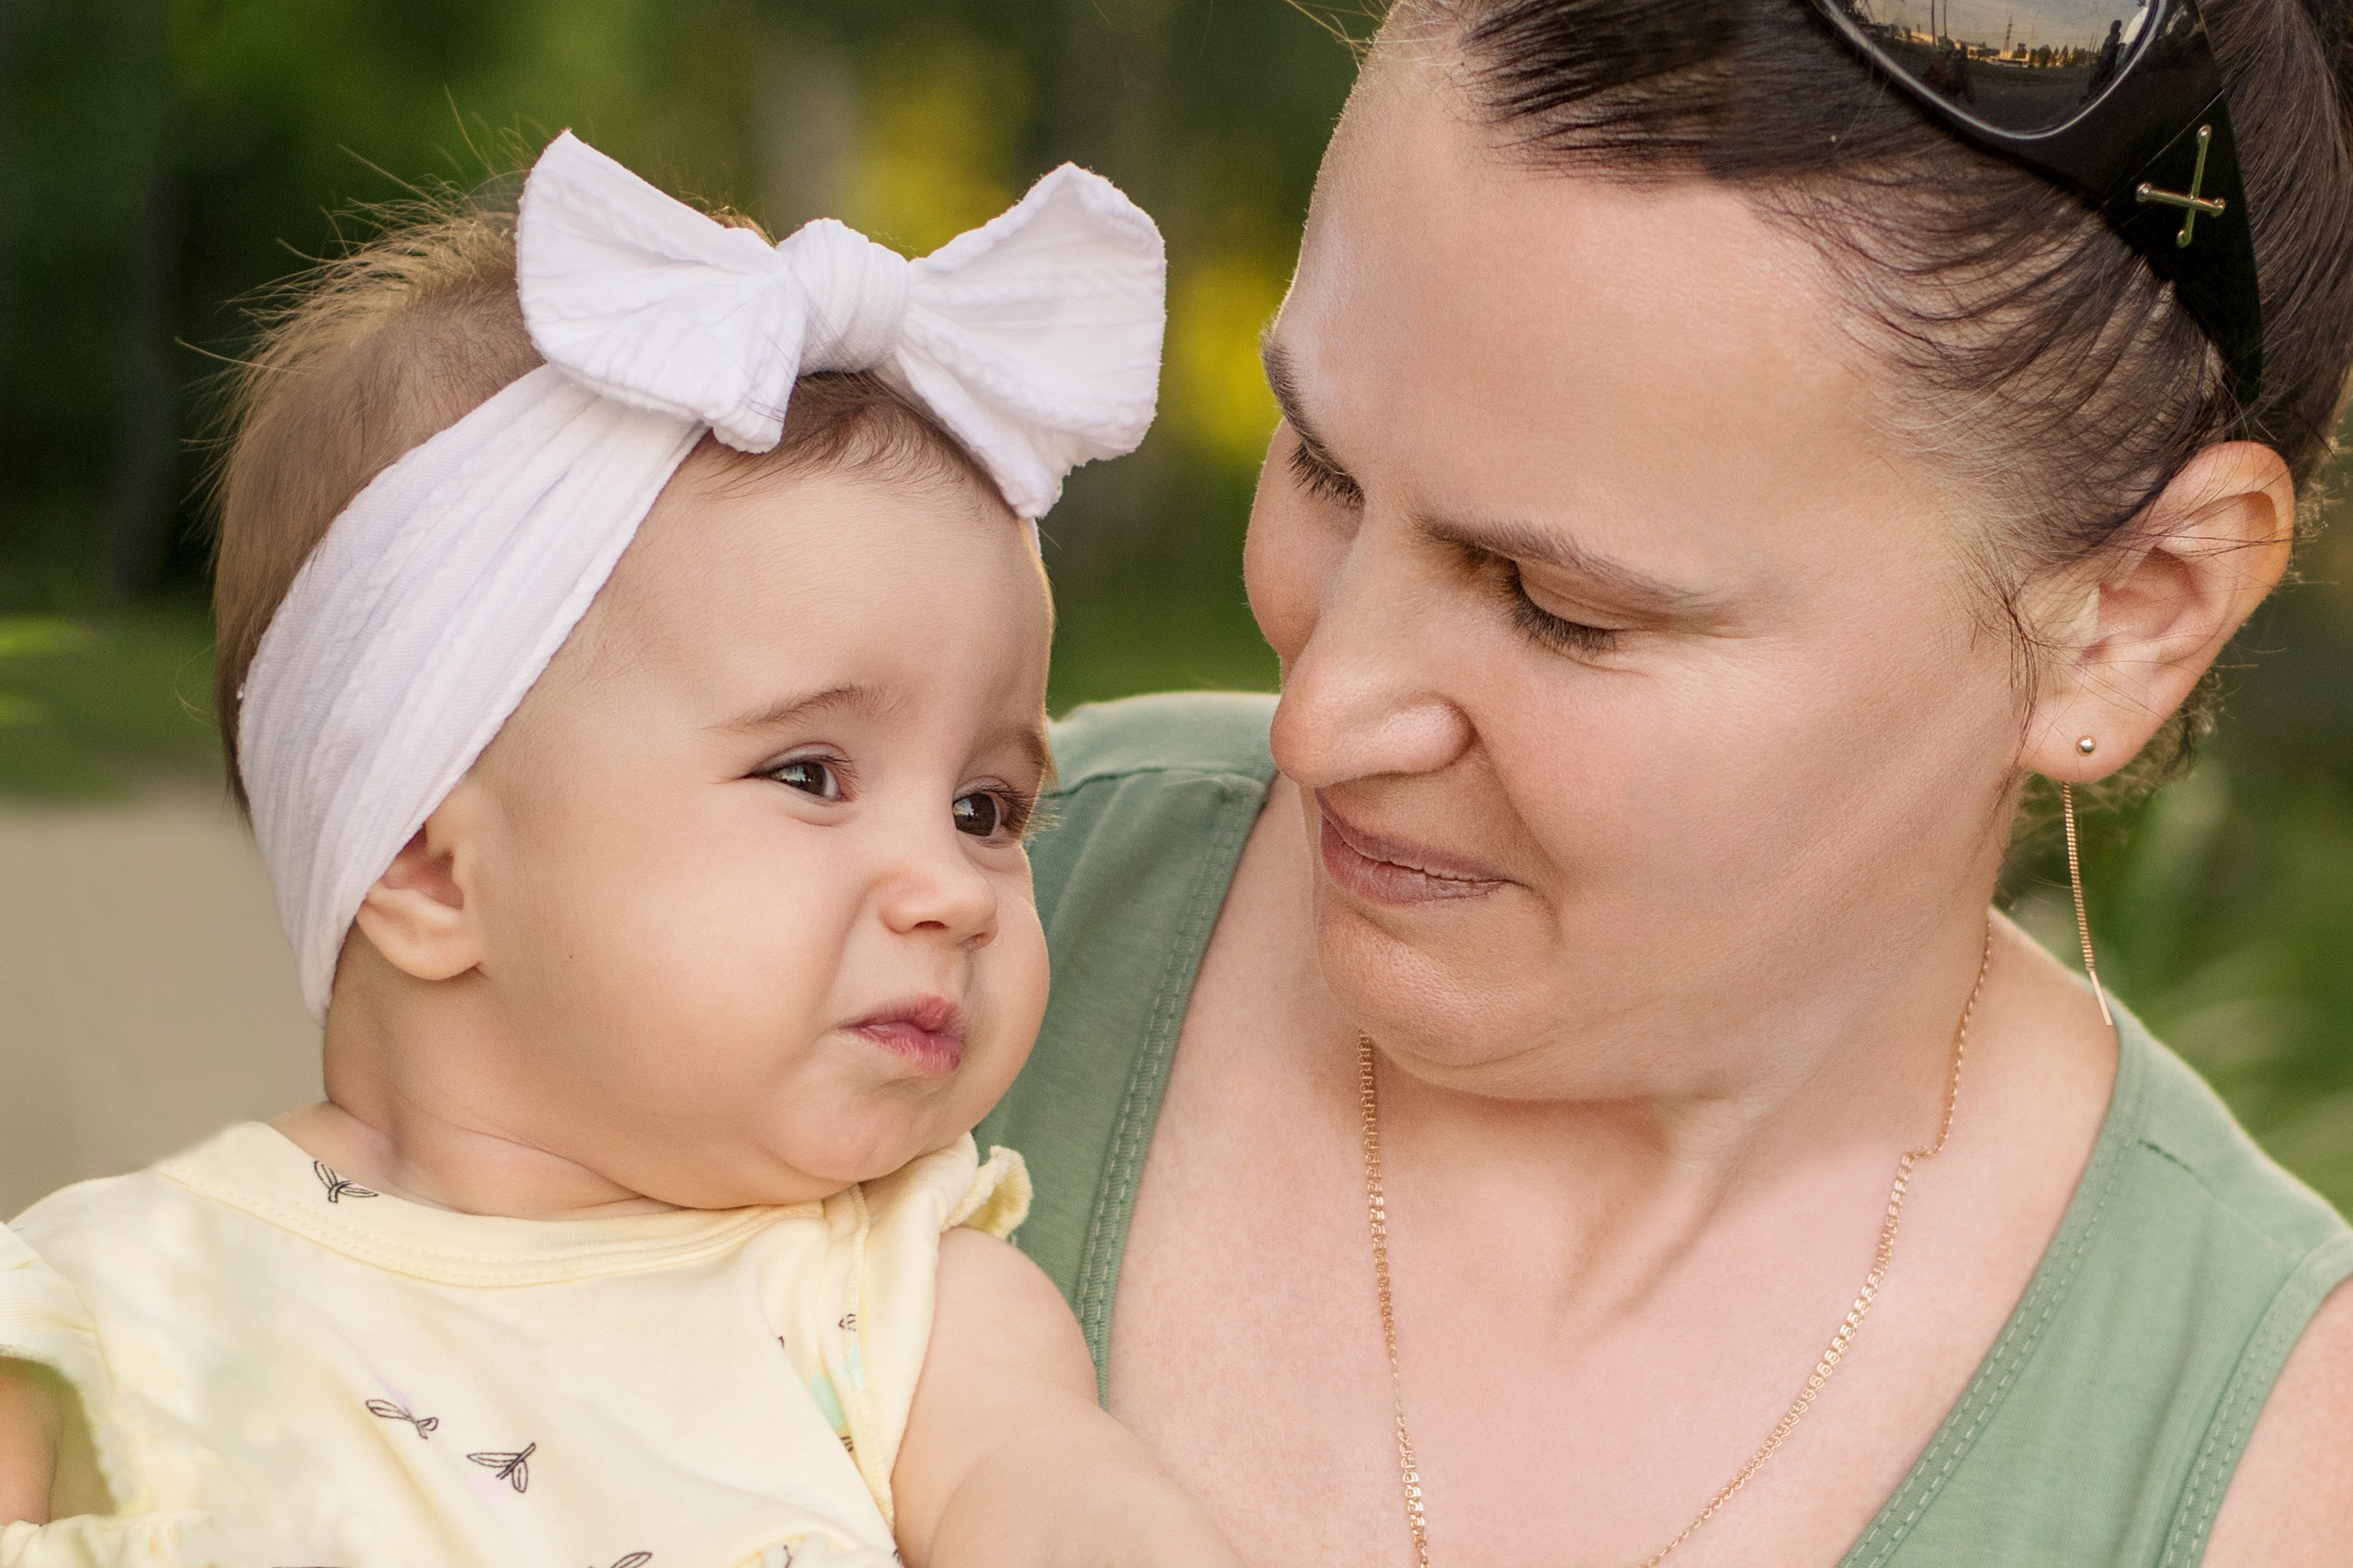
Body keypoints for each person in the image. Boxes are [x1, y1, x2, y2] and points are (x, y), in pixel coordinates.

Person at [978, 1, 2353, 1564]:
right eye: (1323, 467)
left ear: (2127, 616)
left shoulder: (2276, 1484)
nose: (1320, 719)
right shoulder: (902, 935)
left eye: (1555, 603)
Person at [0, 132, 1241, 1568]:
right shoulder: (108, 1310)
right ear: (430, 869)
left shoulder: (897, 1303)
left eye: (988, 807)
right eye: (811, 773)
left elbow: (1074, 1510)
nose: (955, 890)